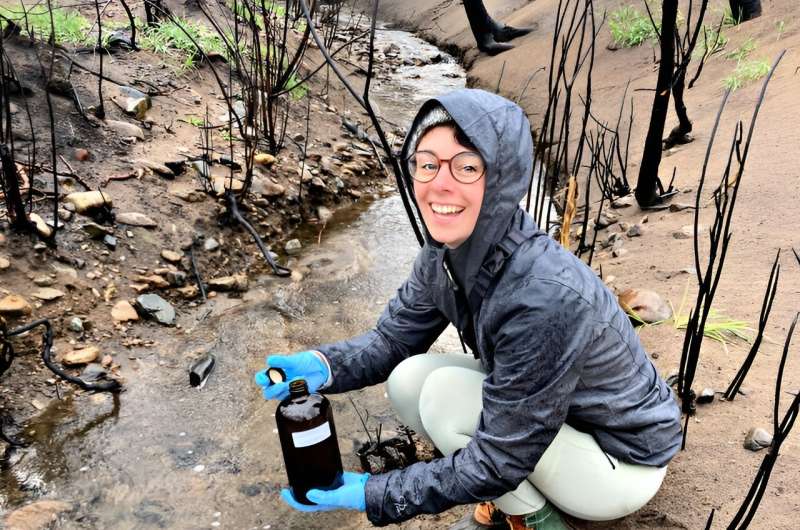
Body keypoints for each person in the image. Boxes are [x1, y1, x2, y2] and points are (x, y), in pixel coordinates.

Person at [255, 89, 682, 529]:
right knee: (409, 380)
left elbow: (498, 457)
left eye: (467, 167)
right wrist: (323, 367)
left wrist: (373, 493)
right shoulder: (444, 254)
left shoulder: (543, 293)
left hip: (620, 462)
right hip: (560, 421)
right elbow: (392, 340)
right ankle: (515, 499)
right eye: (428, 163)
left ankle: (540, 522)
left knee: (444, 398)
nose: (440, 183)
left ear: (502, 179)